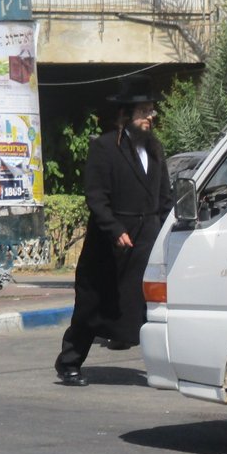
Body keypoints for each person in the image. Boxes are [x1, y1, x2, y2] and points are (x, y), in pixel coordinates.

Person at [54, 74, 172, 386]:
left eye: (151, 111)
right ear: (126, 115)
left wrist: (166, 226)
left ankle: (161, 368)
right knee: (93, 305)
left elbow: (164, 196)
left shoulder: (155, 148)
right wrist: (114, 228)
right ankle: (69, 363)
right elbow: (96, 196)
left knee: (149, 306)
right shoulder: (105, 148)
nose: (150, 117)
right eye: (144, 111)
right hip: (111, 243)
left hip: (146, 239)